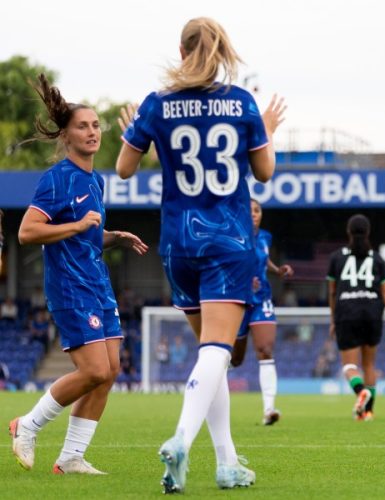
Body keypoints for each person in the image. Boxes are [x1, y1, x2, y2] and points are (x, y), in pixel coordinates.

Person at [116, 17, 285, 493]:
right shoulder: (240, 102)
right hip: (228, 243)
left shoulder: (156, 104)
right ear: (224, 49)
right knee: (218, 350)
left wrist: (138, 132)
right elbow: (266, 172)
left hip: (177, 243)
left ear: (180, 48)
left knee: (211, 355)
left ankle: (228, 462)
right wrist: (266, 129)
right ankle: (182, 438)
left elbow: (125, 169)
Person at [9, 74, 148, 475]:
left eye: (94, 126)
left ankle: (71, 457)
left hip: (97, 283)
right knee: (93, 371)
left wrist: (112, 237)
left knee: (111, 372)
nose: (91, 132)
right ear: (66, 136)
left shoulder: (94, 180)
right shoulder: (57, 179)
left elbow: (85, 232)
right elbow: (27, 232)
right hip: (70, 287)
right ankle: (26, 426)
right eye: (82, 126)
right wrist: (75, 226)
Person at [327, 214, 385, 421]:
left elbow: (332, 292)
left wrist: (333, 319)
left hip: (346, 313)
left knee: (350, 367)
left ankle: (360, 392)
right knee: (369, 365)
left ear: (348, 232)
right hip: (372, 313)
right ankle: (368, 411)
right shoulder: (377, 259)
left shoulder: (336, 258)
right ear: (368, 233)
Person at [230, 199, 294, 425]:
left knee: (266, 349)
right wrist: (244, 280)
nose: (254, 214)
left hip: (261, 299)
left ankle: (269, 410)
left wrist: (278, 270)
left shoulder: (265, 237)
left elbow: (263, 259)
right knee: (234, 358)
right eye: (249, 211)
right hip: (237, 299)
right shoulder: (232, 235)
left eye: (257, 210)